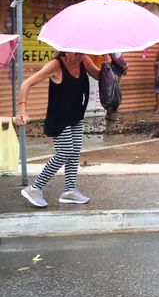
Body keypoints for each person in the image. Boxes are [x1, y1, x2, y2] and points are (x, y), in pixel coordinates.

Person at [14, 52, 108, 208]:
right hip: (59, 118)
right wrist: (22, 111)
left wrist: (107, 64)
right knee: (64, 152)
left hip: (76, 116)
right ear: (66, 49)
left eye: (82, 52)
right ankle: (35, 188)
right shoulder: (56, 65)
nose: (79, 55)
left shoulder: (84, 61)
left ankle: (69, 191)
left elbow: (101, 77)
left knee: (74, 152)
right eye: (76, 52)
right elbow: (26, 84)